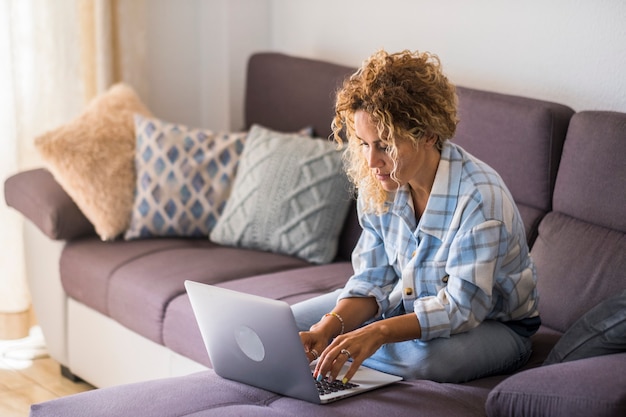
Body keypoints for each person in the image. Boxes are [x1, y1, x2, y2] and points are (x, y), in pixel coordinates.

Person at [292, 49, 541, 385]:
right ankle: (341, 348)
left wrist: (377, 331)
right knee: (293, 325)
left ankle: (346, 352)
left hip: (494, 326)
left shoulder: (479, 200)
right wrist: (331, 325)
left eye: (384, 144)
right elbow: (374, 277)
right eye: (364, 144)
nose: (371, 161)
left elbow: (459, 309)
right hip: (407, 304)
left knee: (426, 360)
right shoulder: (380, 182)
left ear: (427, 134)